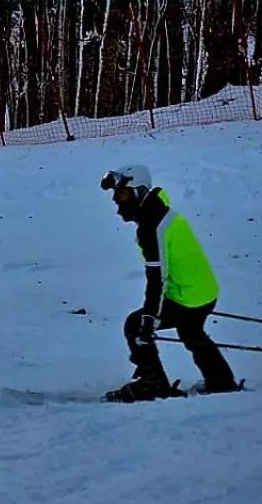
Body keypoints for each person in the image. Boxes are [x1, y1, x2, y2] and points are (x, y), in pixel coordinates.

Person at [101, 163, 241, 402]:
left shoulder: (152, 227)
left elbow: (157, 279)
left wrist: (149, 319)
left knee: (135, 325)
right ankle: (221, 381)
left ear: (139, 191)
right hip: (204, 291)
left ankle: (152, 384)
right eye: (116, 195)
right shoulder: (162, 213)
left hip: (186, 297)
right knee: (191, 331)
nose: (117, 201)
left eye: (122, 194)